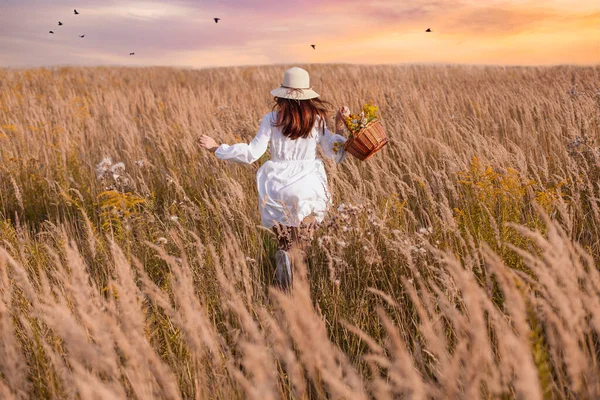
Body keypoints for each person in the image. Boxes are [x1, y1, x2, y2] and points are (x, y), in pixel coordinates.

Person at [199, 67, 347, 290]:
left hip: (278, 185)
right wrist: (339, 126)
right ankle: (294, 283)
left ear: (282, 95)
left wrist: (217, 148)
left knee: (285, 241)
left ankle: (284, 273)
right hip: (308, 185)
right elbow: (334, 154)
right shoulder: (317, 119)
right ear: (308, 95)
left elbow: (251, 153)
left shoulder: (271, 119)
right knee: (302, 243)